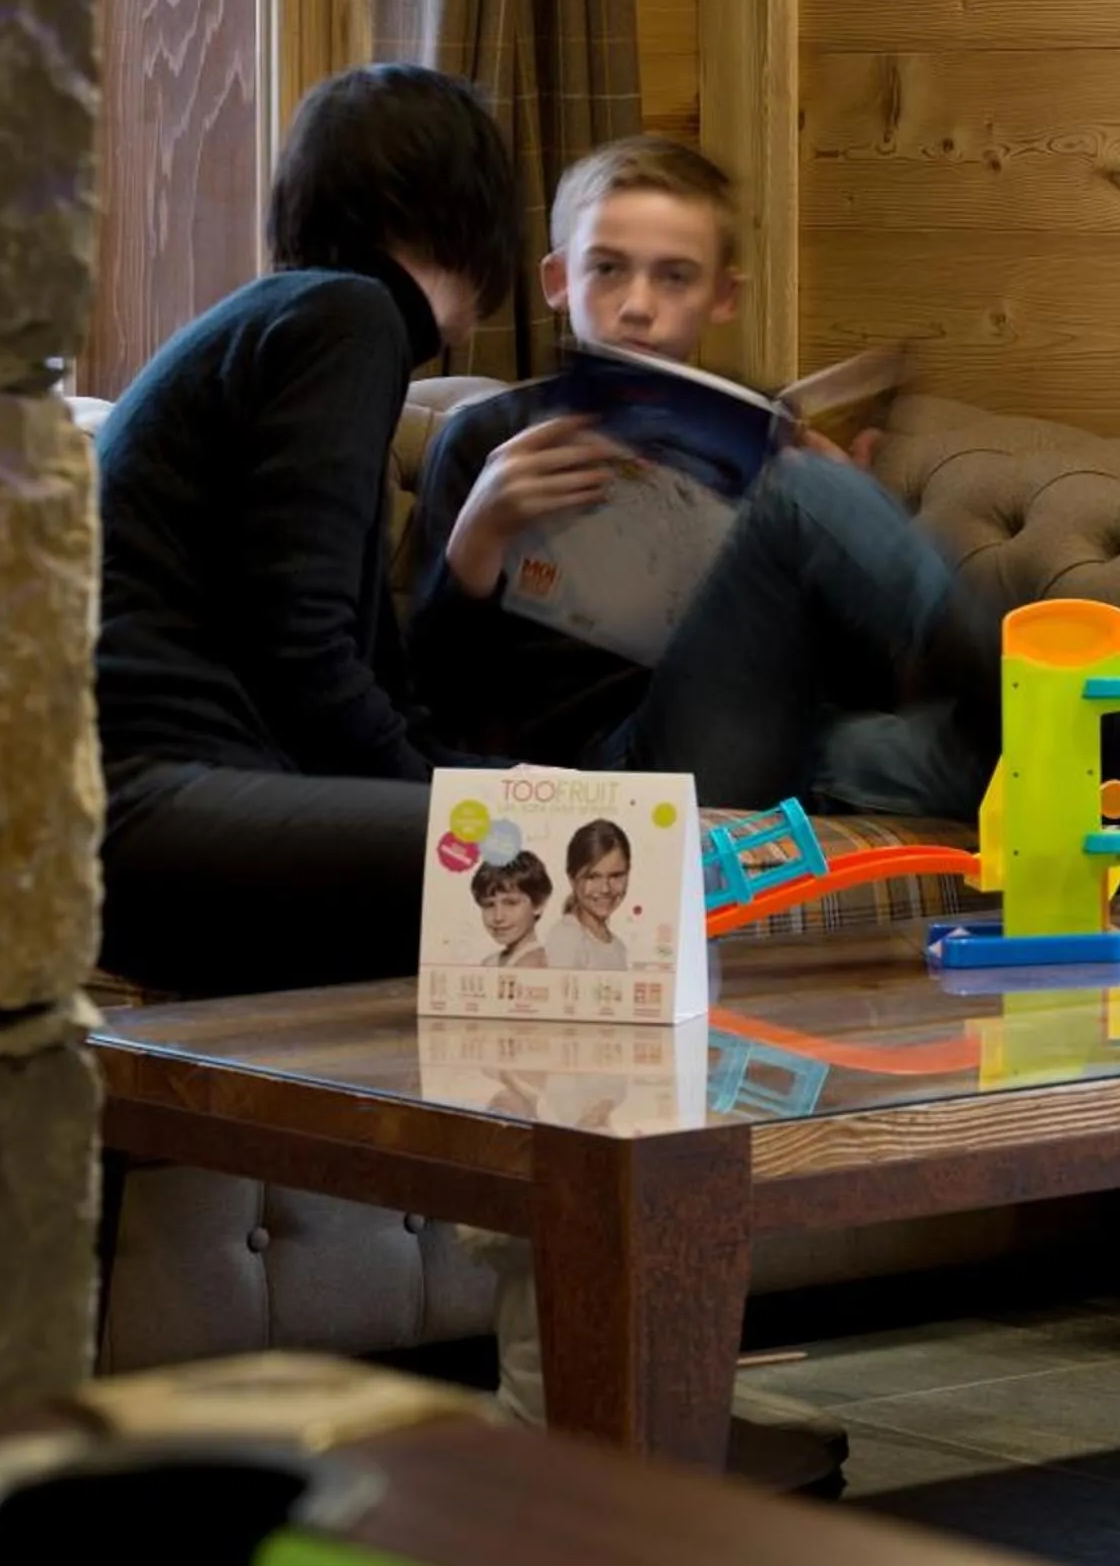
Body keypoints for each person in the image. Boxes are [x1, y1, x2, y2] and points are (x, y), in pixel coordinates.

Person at [404, 134, 997, 816]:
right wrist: (478, 538)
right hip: (619, 775)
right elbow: (431, 715)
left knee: (1015, 774)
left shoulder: (757, 436)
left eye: (674, 277)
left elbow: (865, 684)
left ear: (723, 296)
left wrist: (853, 513)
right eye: (607, 269)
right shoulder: (487, 439)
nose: (637, 304)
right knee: (798, 495)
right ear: (558, 282)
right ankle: (1031, 682)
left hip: (785, 746)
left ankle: (1108, 744)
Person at [93, 64, 520, 994]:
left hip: (162, 795)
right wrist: (466, 805)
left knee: (559, 824)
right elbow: (302, 650)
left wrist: (501, 780)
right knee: (548, 870)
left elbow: (349, 671)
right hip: (147, 802)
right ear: (465, 213)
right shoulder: (350, 320)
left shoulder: (293, 319)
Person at [553, 819, 632, 970]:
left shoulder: (619, 947)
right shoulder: (566, 938)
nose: (605, 889)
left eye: (615, 876)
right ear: (572, 879)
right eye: (593, 877)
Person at [471, 852, 552, 968]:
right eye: (489, 905)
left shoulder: (534, 963)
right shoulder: (490, 962)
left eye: (511, 903)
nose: (498, 917)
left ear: (538, 905)